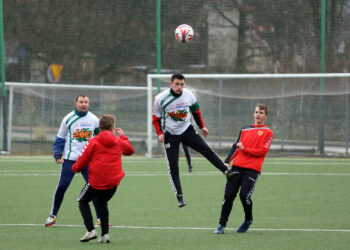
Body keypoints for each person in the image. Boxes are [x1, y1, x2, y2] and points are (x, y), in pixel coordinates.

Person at [152, 73, 236, 208]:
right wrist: (160, 133)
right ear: (171, 84)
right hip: (170, 135)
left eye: (182, 84)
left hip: (187, 130)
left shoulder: (189, 95)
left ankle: (226, 171)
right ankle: (179, 196)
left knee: (206, 150)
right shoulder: (160, 99)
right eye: (177, 84)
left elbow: (196, 111)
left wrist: (202, 126)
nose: (179, 87)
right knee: (173, 165)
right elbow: (155, 119)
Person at [72, 115, 135, 243]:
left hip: (96, 182)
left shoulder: (93, 141)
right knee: (102, 203)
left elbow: (83, 158)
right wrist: (123, 136)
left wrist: (75, 168)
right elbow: (130, 150)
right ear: (113, 127)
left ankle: (91, 231)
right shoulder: (118, 141)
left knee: (82, 201)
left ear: (100, 127)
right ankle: (105, 235)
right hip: (113, 183)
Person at [214, 103, 273, 234]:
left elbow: (262, 152)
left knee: (244, 196)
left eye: (261, 113)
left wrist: (245, 149)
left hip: (252, 169)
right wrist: (227, 161)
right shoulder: (245, 129)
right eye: (256, 112)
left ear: (266, 116)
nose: (258, 114)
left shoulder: (268, 132)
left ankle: (248, 220)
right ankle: (221, 225)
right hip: (237, 167)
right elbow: (236, 146)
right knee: (228, 196)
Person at [45, 94, 101, 227]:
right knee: (62, 186)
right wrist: (57, 154)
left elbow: (100, 138)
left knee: (95, 188)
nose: (84, 104)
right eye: (81, 102)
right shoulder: (68, 119)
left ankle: (100, 218)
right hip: (71, 160)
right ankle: (52, 216)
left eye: (86, 102)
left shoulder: (93, 119)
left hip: (88, 161)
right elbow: (60, 138)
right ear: (76, 103)